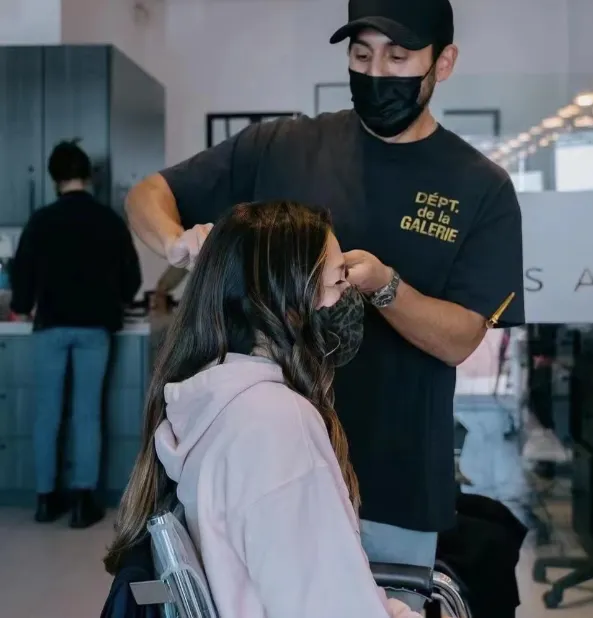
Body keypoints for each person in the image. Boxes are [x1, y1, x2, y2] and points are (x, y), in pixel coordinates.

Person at [125, 0, 525, 605]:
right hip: (265, 461)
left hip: (393, 477)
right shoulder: (281, 145)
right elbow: (150, 194)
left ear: (443, 63)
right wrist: (178, 243)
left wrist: (386, 286)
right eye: (361, 55)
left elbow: (461, 337)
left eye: (398, 57)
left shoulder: (481, 187)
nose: (376, 71)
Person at [104, 201, 420, 618]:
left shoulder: (212, 402)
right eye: (338, 280)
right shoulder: (278, 425)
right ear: (288, 301)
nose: (347, 297)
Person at [11, 140, 142, 528]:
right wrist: (114, 297)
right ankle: (85, 502)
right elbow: (131, 280)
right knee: (88, 413)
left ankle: (45, 500)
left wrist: (24, 302)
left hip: (51, 325)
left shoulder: (40, 220)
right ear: (89, 176)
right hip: (95, 327)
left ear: (54, 179)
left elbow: (22, 279)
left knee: (47, 414)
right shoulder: (109, 220)